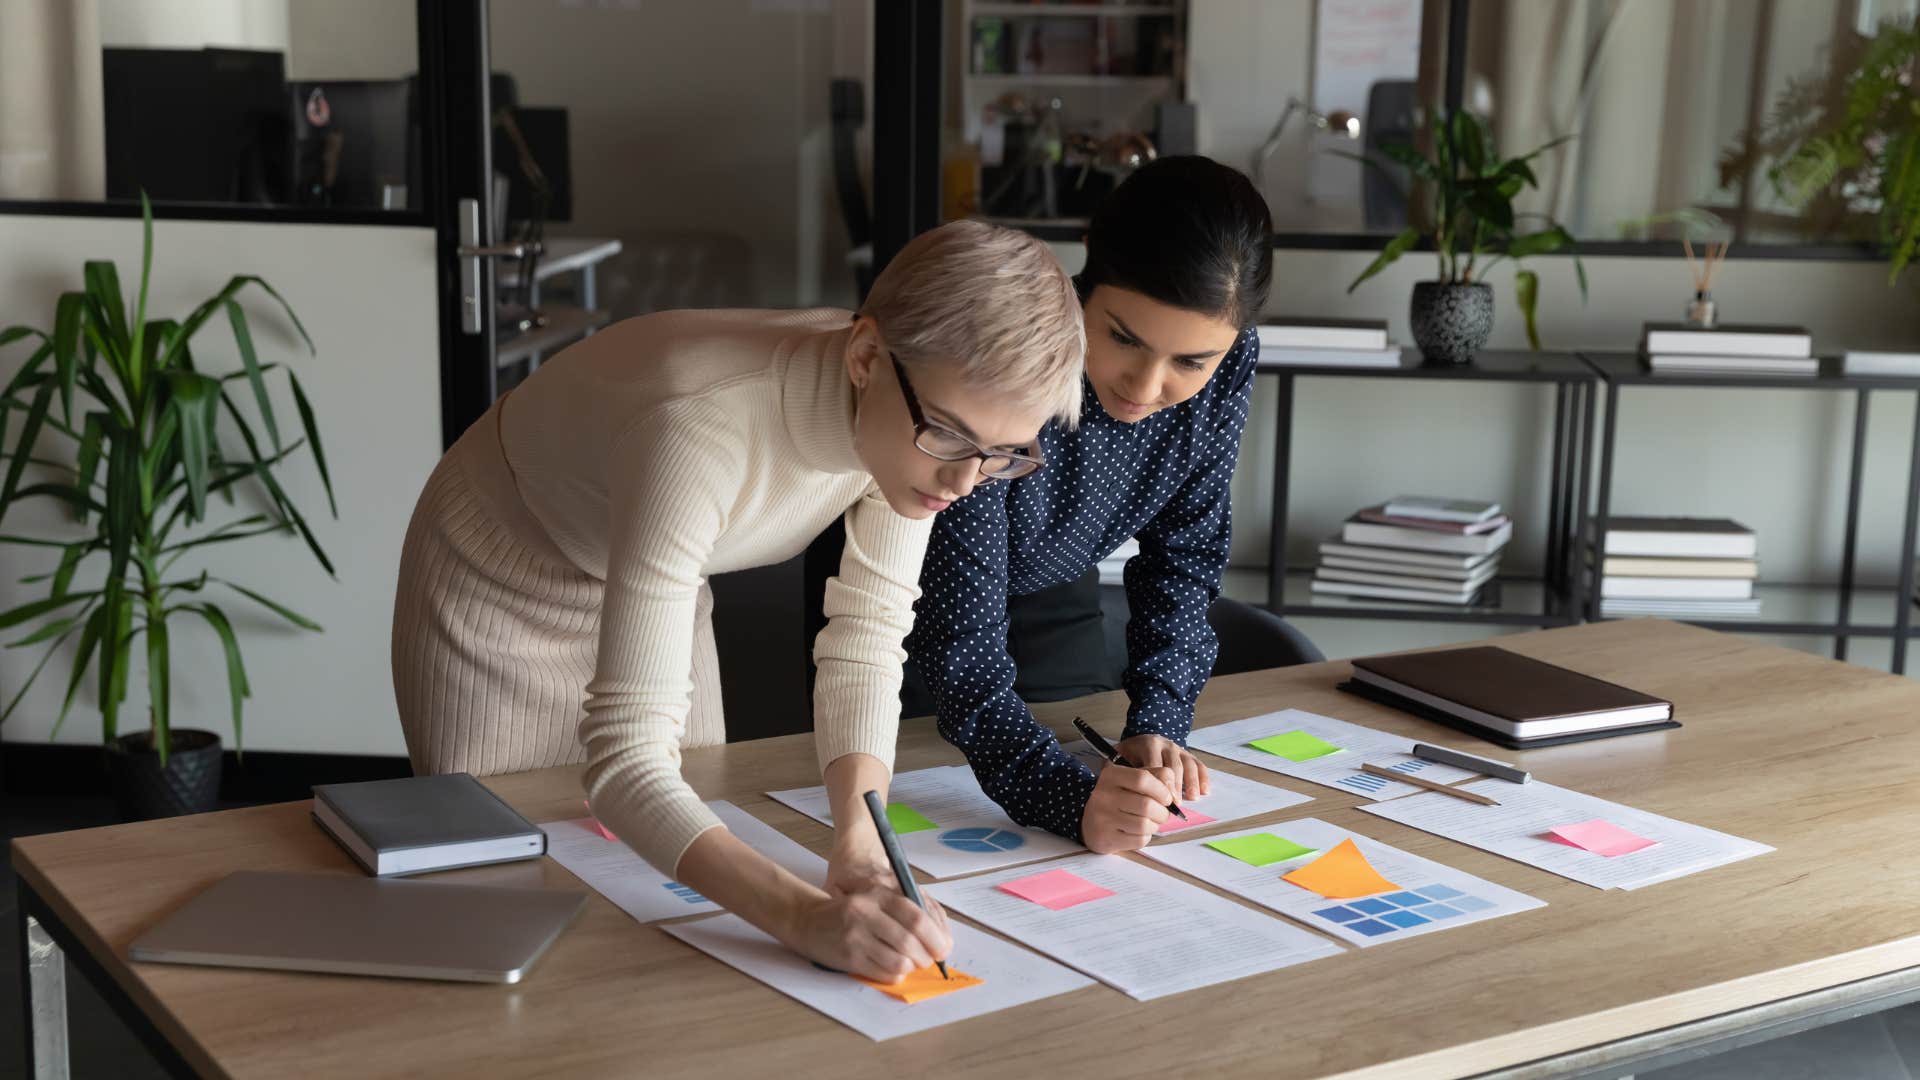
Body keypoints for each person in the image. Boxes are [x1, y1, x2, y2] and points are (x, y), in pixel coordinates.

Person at [391, 220, 1085, 980]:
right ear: (863, 356)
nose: (964, 481)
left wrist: (857, 842)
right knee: (521, 898)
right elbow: (626, 764)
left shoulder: (916, 432)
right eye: (953, 438)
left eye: (1002, 454)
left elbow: (865, 639)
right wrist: (801, 917)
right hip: (502, 574)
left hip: (664, 567)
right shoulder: (694, 430)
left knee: (664, 903)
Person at [905, 156, 1273, 853]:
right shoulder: (1005, 349)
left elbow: (1185, 554)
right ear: (1083, 287)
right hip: (909, 600)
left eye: (1191, 362)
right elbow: (959, 649)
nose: (1147, 384)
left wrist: (1159, 723)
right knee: (925, 811)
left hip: (1056, 584)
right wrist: (1070, 802)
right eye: (1123, 339)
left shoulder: (1230, 361)